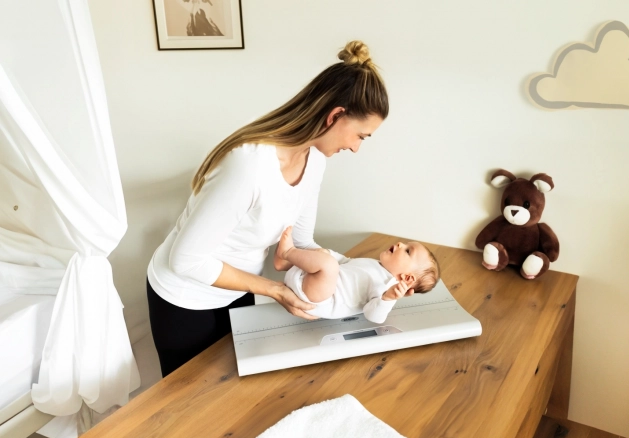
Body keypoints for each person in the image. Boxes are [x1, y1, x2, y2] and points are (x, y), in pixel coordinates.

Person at [146, 40, 389, 376]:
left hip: (240, 287)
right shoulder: (249, 165)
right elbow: (186, 260)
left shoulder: (314, 159)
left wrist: (351, 278)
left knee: (233, 393)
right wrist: (274, 289)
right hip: (185, 297)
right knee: (187, 410)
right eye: (361, 136)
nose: (357, 148)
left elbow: (301, 241)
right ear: (335, 116)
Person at [275, 226, 441, 323]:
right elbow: (347, 262)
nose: (400, 243)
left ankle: (288, 252)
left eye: (407, 250)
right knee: (326, 258)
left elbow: (373, 316)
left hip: (320, 299)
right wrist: (328, 253)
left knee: (328, 265)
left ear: (407, 278)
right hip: (310, 280)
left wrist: (388, 300)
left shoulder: (386, 287)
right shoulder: (376, 265)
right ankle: (285, 263)